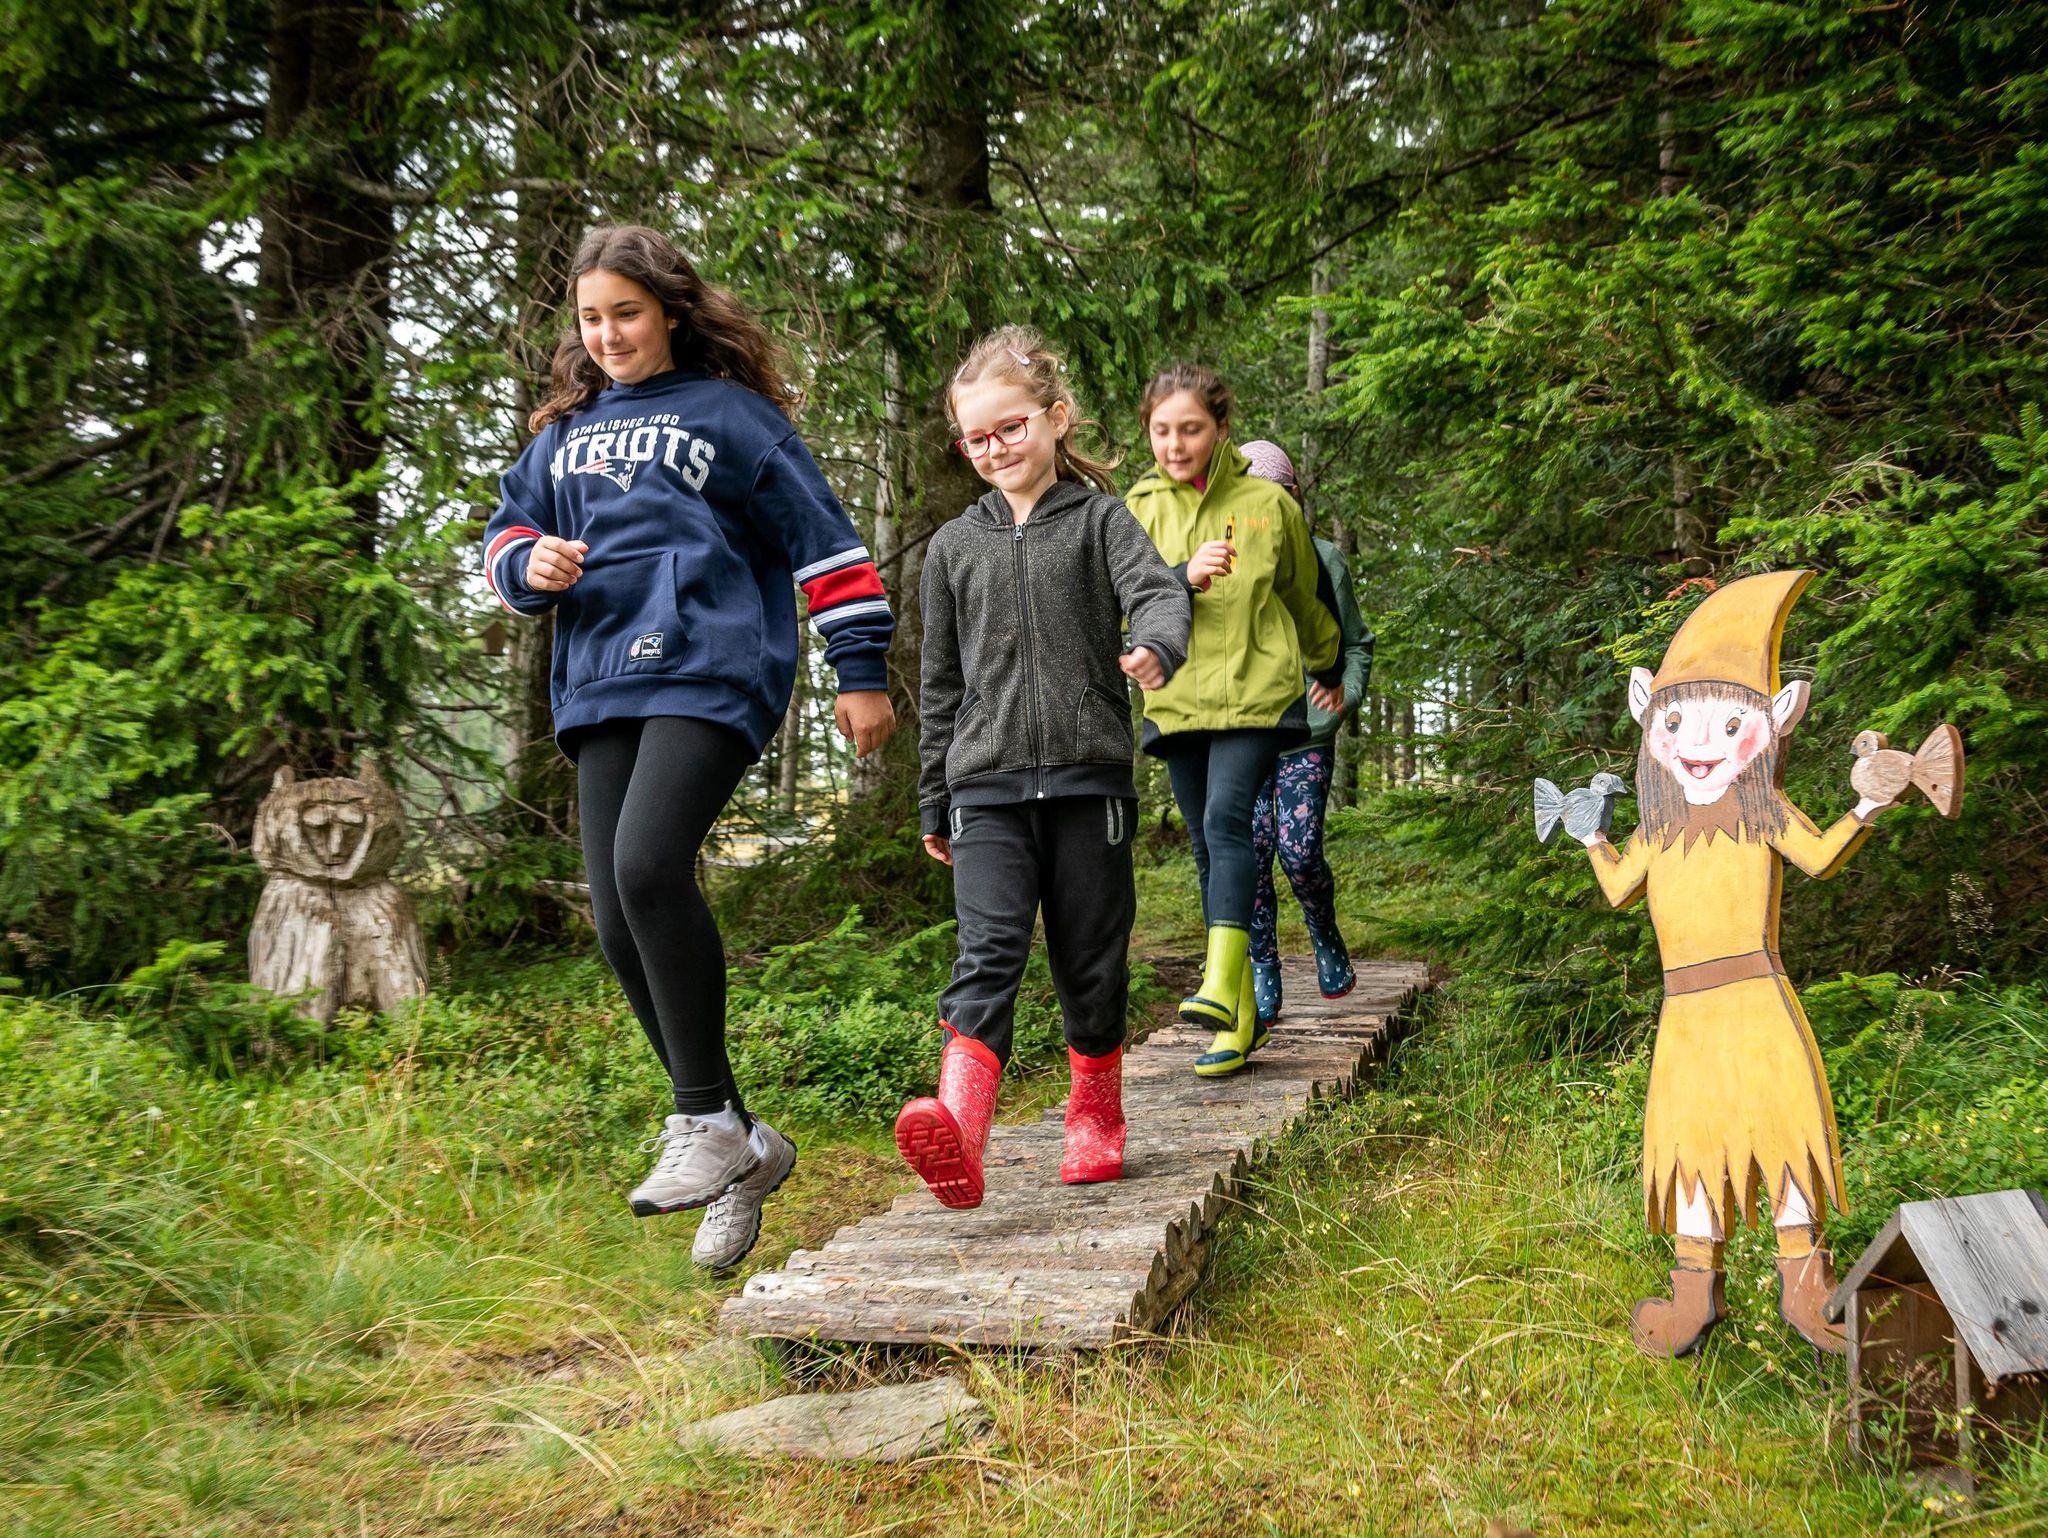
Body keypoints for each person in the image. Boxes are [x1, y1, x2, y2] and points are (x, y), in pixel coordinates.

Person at [480, 224, 896, 1267]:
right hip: (600, 679)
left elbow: (827, 544)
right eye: (590, 318)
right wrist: (529, 564)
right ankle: (741, 1143)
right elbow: (503, 536)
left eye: (626, 312)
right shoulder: (562, 435)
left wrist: (859, 671)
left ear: (669, 309)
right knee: (619, 918)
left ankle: (703, 1117)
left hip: (710, 663)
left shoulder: (732, 416)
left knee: (647, 865)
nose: (608, 334)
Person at [896, 326, 1190, 1208]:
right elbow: (940, 683)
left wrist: (1156, 645)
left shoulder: (1102, 522)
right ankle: (959, 1127)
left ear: (1056, 419)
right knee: (986, 951)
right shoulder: (953, 548)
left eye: (1011, 428)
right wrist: (934, 795)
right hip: (983, 789)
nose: (995, 449)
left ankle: (1094, 1114)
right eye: (976, 439)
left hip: (1087, 783)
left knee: (1089, 960)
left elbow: (1158, 591)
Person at [1124, 368, 1343, 1076]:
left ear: (1220, 428)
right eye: (1161, 430)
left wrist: (1329, 664)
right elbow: (1122, 600)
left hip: (1255, 690)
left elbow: (1305, 595)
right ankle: (1240, 1018)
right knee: (1206, 847)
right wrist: (1181, 575)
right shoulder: (1135, 508)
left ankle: (1218, 984)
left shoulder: (1266, 504)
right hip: (1179, 697)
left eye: (1190, 429)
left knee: (1227, 821)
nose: (1174, 444)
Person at [1236, 441, 1374, 1022]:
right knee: (1250, 858)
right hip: (1243, 736)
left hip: (1307, 735)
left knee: (1298, 852)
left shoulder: (1324, 560)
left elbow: (1357, 643)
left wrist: (1345, 696)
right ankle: (1263, 965)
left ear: (1293, 498)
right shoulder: (1225, 564)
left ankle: (1324, 932)